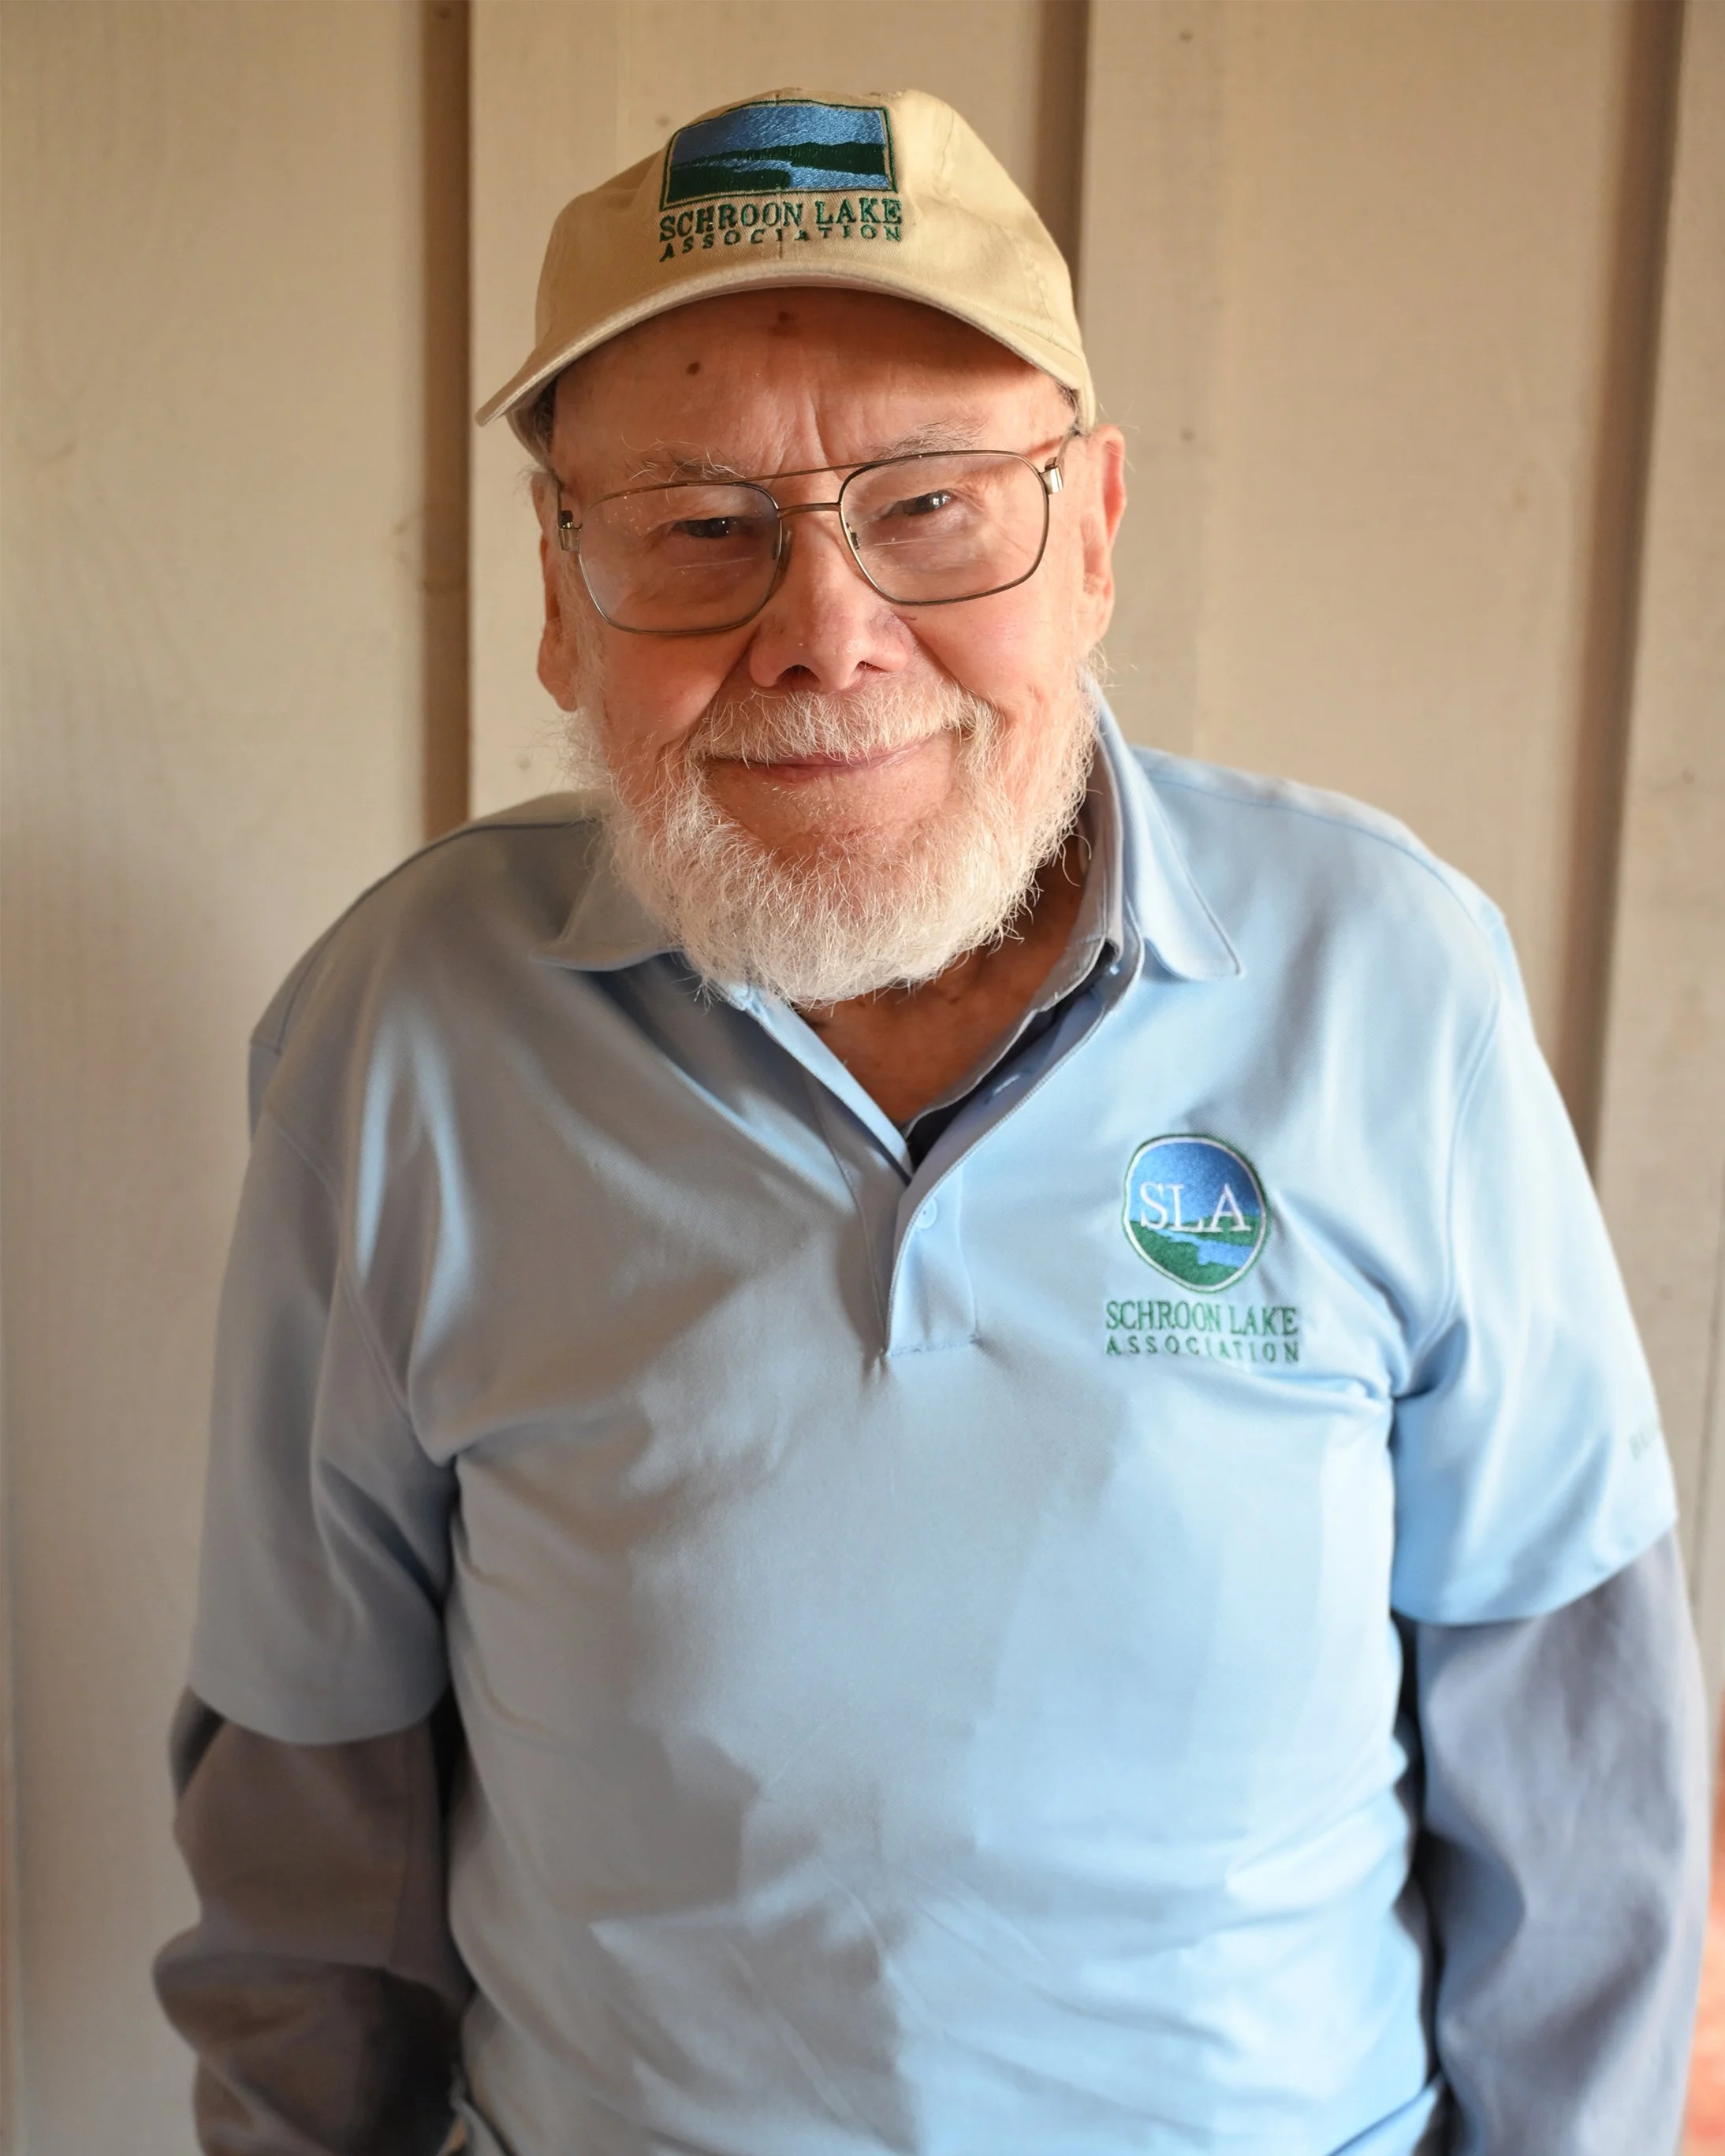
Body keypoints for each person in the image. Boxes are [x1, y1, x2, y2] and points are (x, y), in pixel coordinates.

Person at [156, 86, 1707, 2156]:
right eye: (697, 524)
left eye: (932, 501)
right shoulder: (403, 1033)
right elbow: (303, 1822)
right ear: (558, 584)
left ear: (1093, 526)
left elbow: (1578, 1809)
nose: (820, 629)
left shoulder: (1386, 982)